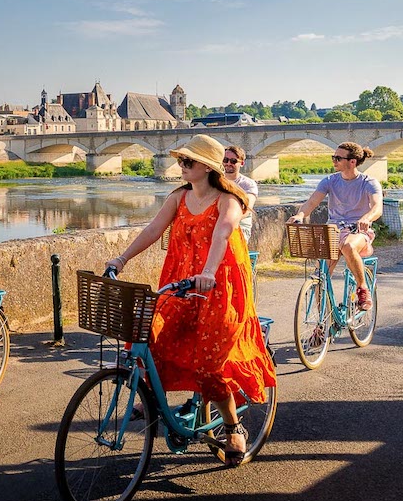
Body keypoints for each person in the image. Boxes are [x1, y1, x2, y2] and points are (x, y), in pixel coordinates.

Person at [104, 134, 277, 465]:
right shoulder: (179, 197)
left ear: (208, 168)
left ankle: (233, 427)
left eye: (188, 161)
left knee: (212, 362)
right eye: (181, 160)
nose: (181, 166)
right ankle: (154, 396)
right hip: (181, 278)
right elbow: (153, 229)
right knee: (152, 332)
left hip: (220, 282)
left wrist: (209, 271)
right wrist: (121, 259)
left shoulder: (229, 199)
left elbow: (222, 234)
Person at [287, 142, 382, 311]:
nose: (334, 161)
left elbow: (377, 207)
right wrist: (300, 215)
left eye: (338, 158)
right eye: (334, 157)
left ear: (352, 162)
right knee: (319, 277)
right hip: (333, 231)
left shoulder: (369, 182)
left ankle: (363, 289)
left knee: (347, 246)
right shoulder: (330, 180)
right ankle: (322, 323)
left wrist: (366, 218)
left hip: (358, 230)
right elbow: (312, 202)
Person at [223, 145, 258, 242]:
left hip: (240, 226)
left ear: (242, 163)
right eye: (225, 160)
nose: (228, 163)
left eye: (233, 161)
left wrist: (227, 223)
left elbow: (247, 208)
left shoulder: (248, 184)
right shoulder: (215, 181)